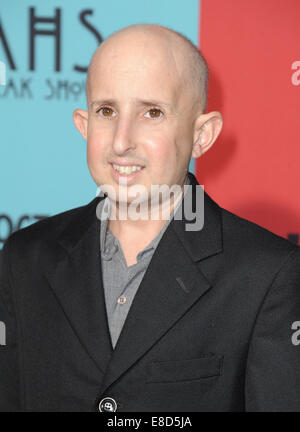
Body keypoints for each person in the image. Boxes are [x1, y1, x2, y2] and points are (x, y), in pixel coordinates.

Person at [0, 23, 300, 412]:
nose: (122, 140)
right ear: (83, 125)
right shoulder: (26, 257)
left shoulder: (266, 275)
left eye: (152, 112)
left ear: (202, 135)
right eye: (106, 111)